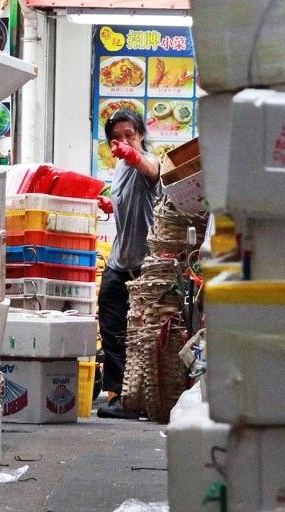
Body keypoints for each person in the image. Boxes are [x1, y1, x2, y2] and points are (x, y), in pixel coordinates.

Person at [95, 108, 161, 419]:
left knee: (142, 334)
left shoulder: (148, 159)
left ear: (141, 135)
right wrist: (110, 203)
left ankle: (142, 397)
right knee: (111, 328)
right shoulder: (119, 168)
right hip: (118, 262)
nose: (123, 141)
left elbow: (151, 168)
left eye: (129, 135)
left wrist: (134, 155)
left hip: (145, 265)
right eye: (117, 137)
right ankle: (118, 395)